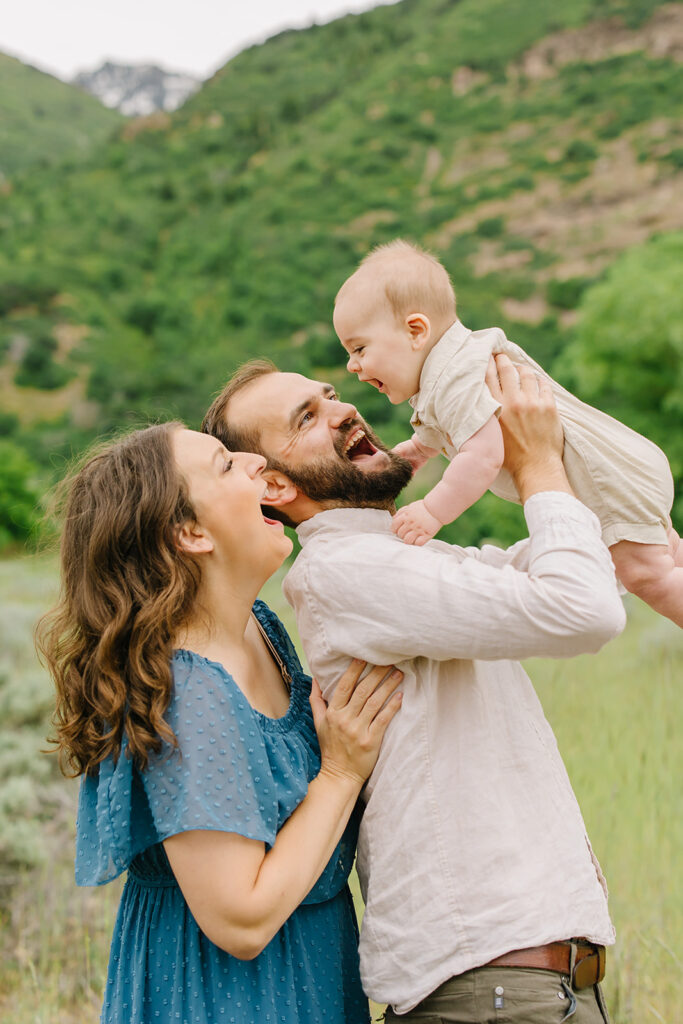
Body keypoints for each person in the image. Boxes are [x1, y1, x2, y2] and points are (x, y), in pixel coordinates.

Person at [201, 354, 627, 1023]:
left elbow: (589, 563)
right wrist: (534, 464)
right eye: (305, 417)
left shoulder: (399, 559)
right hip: (491, 992)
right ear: (276, 487)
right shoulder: (347, 570)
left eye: (332, 395)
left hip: (522, 986)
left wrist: (496, 444)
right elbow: (582, 609)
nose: (343, 409)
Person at [38, 421, 404, 1024]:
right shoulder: (188, 687)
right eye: (226, 464)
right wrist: (340, 772)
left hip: (308, 974)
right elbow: (242, 917)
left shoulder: (263, 630)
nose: (254, 463)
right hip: (222, 996)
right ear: (190, 532)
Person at [333, 238, 683, 627]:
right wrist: (420, 448)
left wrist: (432, 511)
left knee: (648, 576)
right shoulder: (450, 370)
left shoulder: (455, 380)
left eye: (360, 349)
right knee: (669, 553)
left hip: (604, 481)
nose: (351, 365)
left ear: (416, 331)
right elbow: (455, 424)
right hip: (620, 466)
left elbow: (483, 457)